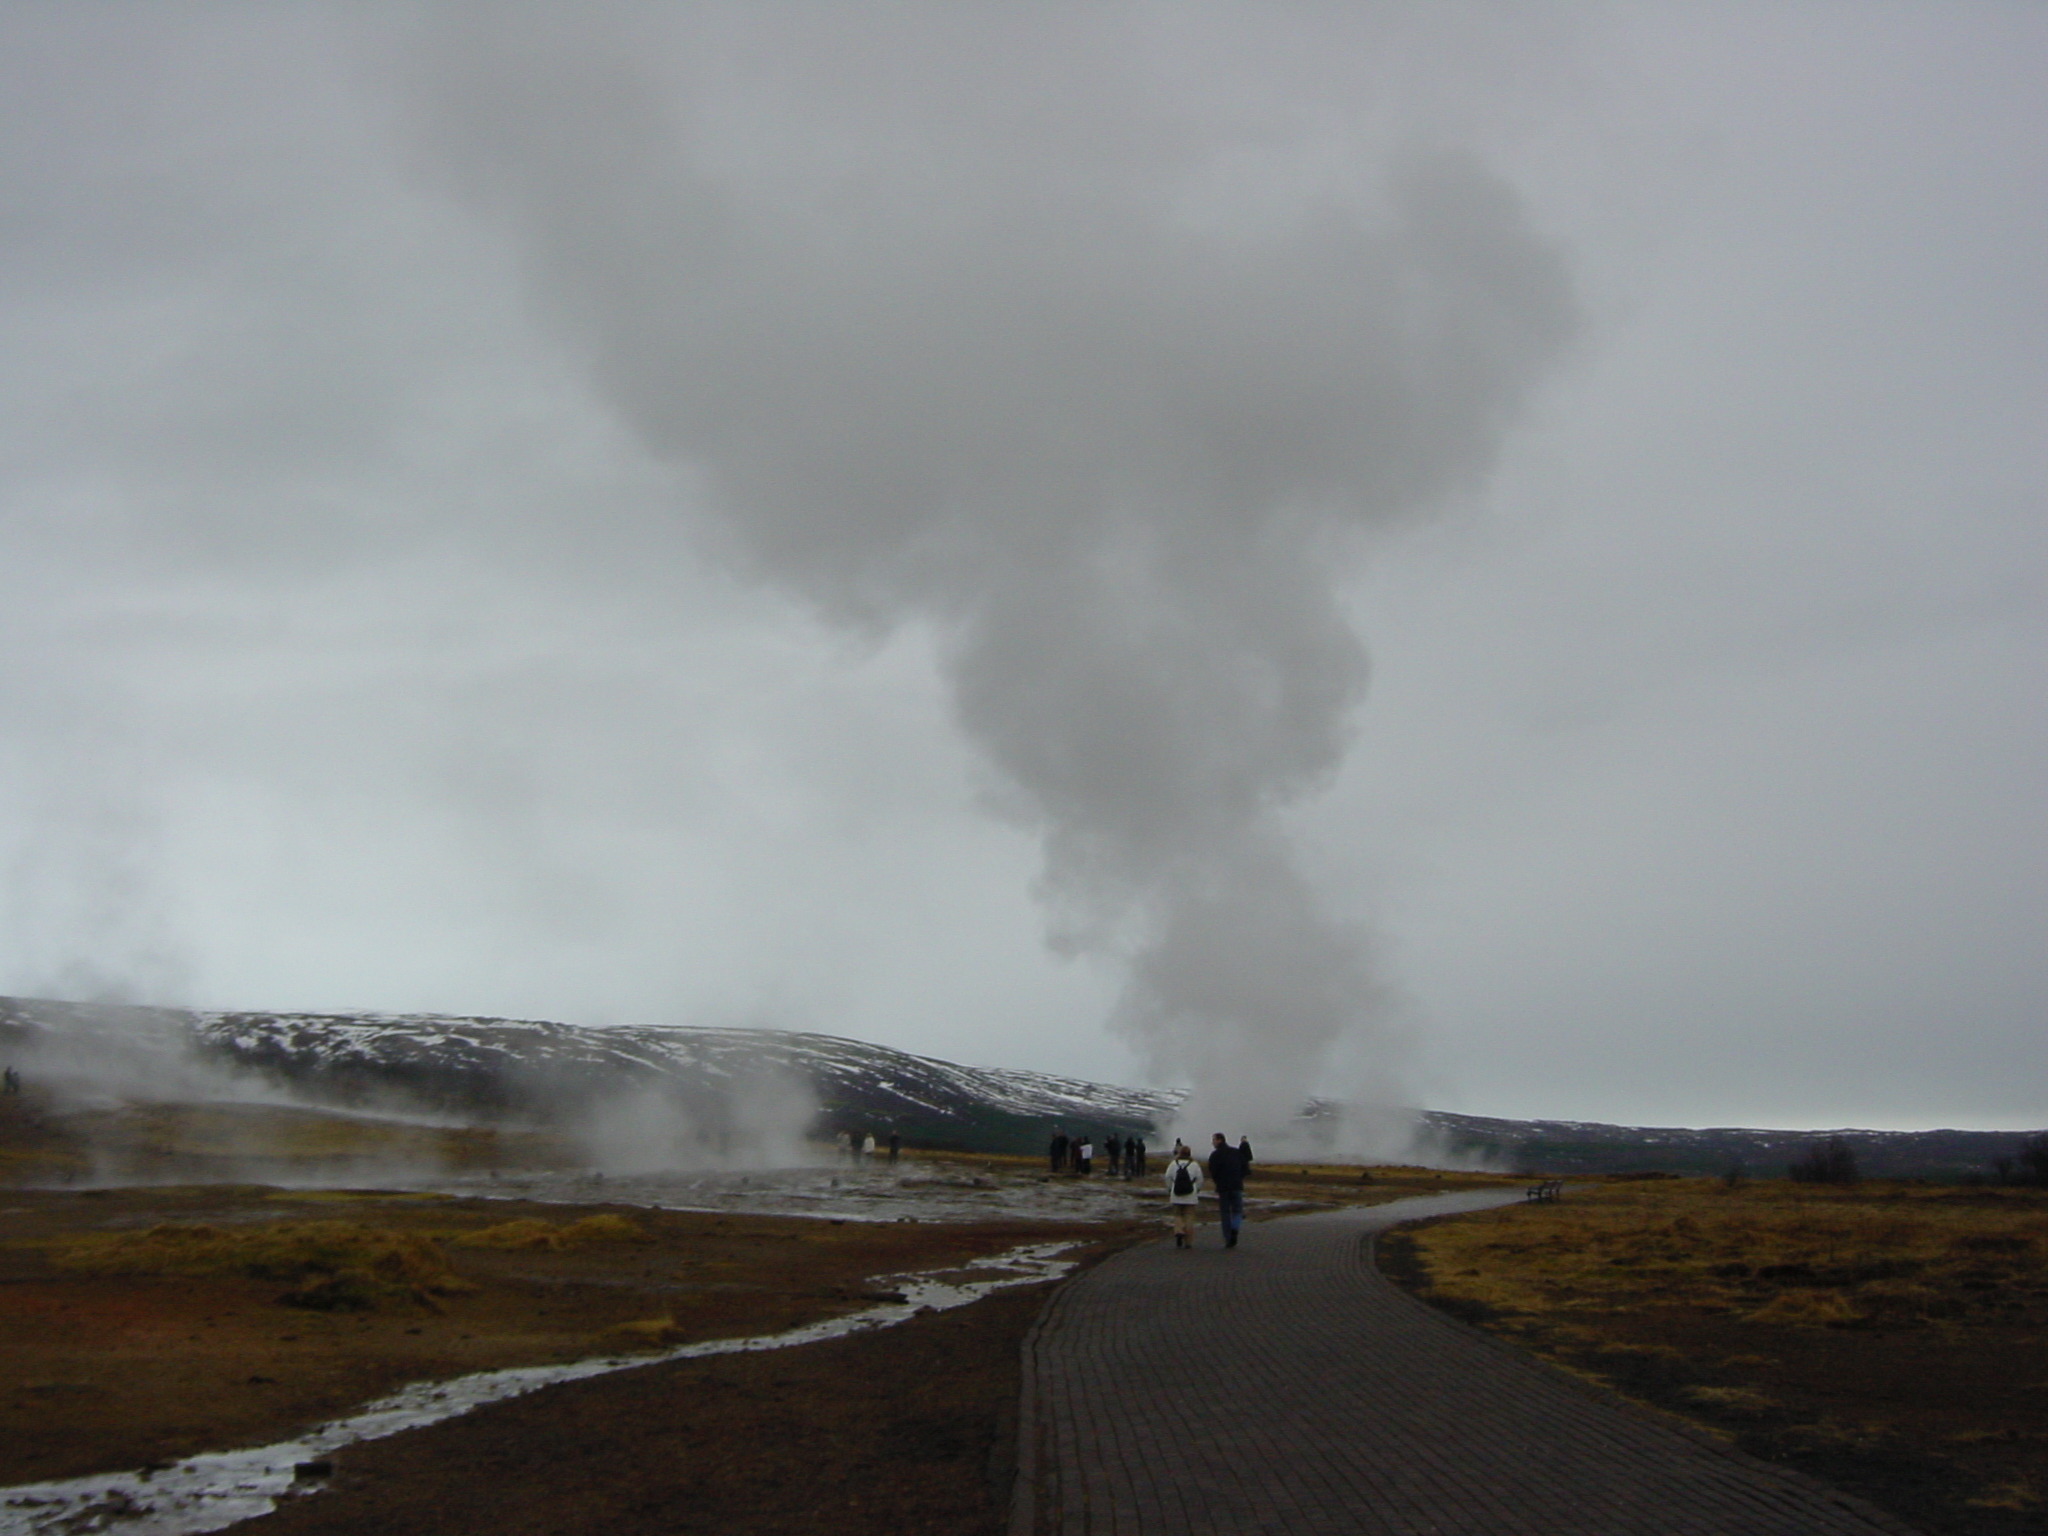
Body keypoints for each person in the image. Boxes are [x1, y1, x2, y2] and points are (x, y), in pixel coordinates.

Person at [1209, 1133, 1246, 1248]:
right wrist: (1239, 1178)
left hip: (1223, 1188)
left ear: (1219, 1140)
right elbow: (1245, 1168)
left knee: (1225, 1213)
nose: (1212, 1142)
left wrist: (1218, 1182)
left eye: (1213, 1140)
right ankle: (1235, 1228)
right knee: (1237, 1211)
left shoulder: (1215, 1155)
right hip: (1236, 1186)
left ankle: (1228, 1238)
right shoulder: (1236, 1152)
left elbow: (1213, 1172)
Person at [1164, 1143, 1203, 1247]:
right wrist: (1197, 1190)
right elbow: (1200, 1179)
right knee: (1189, 1217)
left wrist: (1170, 1189)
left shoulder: (1173, 1164)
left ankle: (1178, 1231)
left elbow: (1167, 1177)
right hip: (1190, 1194)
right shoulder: (1194, 1165)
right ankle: (1188, 1242)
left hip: (1176, 1194)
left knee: (1177, 1215)